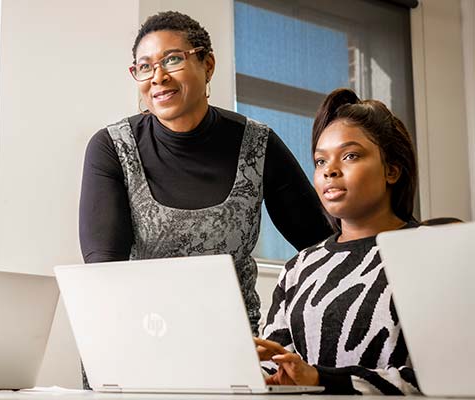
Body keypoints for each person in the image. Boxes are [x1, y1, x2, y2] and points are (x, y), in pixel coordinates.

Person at [79, 10, 331, 335]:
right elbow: (103, 274)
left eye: (172, 60)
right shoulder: (112, 147)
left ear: (208, 64)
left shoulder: (258, 145)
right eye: (145, 66)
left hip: (233, 343)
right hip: (138, 337)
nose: (157, 77)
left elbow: (320, 245)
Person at [255, 88, 421, 395]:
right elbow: (276, 364)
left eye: (350, 155)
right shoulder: (299, 268)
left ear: (392, 170)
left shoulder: (431, 253)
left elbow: (441, 378)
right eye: (320, 161)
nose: (329, 170)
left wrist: (320, 379)